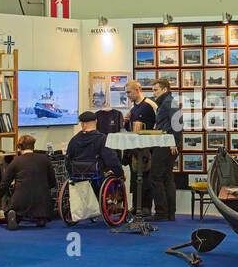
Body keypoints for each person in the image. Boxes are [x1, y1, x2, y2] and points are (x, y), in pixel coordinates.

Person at [0, 134, 55, 229]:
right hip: (41, 199)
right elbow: (52, 181)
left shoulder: (16, 161)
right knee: (41, 205)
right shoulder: (44, 159)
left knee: (15, 208)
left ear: (19, 147)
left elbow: (6, 182)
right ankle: (41, 218)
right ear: (33, 146)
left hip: (21, 199)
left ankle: (14, 216)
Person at [122, 80, 160, 216]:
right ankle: (136, 205)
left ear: (137, 90)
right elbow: (129, 129)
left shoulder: (150, 104)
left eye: (129, 92)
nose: (127, 95)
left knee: (146, 179)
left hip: (148, 148)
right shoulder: (133, 109)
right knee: (135, 179)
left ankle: (146, 207)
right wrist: (126, 122)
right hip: (135, 148)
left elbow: (160, 123)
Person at [149, 77, 180, 221]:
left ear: (165, 89)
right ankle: (169, 213)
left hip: (166, 144)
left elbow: (177, 124)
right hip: (165, 142)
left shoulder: (169, 103)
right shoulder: (166, 102)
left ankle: (162, 213)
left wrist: (172, 142)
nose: (153, 93)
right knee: (167, 177)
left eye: (156, 90)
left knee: (156, 177)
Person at [66, 111, 122, 184]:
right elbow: (112, 160)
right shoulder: (102, 139)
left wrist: (71, 174)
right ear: (96, 121)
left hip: (78, 179)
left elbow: (67, 161)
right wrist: (120, 174)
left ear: (82, 124)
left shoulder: (74, 140)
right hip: (98, 179)